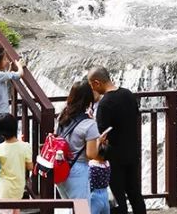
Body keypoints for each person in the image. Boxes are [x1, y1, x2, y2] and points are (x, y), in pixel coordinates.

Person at [88, 66, 144, 214]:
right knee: (135, 193)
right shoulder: (128, 94)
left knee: (118, 197)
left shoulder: (105, 104)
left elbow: (101, 134)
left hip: (114, 156)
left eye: (91, 85)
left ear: (97, 82)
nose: (91, 88)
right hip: (133, 151)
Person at [58, 79, 109, 214]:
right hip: (77, 170)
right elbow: (91, 154)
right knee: (81, 210)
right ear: (88, 99)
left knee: (68, 208)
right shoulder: (89, 124)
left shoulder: (62, 117)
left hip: (61, 168)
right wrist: (99, 141)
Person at [0, 46, 26, 192]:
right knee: (1, 152)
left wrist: (8, 66)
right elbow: (18, 75)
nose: (7, 60)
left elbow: (6, 74)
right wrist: (19, 66)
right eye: (4, 59)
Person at [0, 113, 33, 214]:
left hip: (4, 191)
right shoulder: (26, 146)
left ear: (0, 132)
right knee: (16, 211)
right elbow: (30, 167)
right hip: (18, 188)